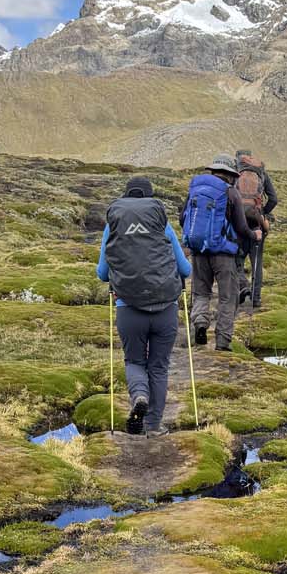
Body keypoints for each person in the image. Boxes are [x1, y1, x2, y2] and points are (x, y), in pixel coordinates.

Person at [97, 176, 191, 437]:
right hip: (165, 310)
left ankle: (139, 395)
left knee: (135, 361)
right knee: (159, 366)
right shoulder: (163, 226)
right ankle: (153, 426)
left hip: (128, 308)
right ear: (151, 200)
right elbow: (185, 268)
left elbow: (103, 273)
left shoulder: (113, 226)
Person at [181, 154, 261, 351]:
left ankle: (200, 323)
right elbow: (241, 227)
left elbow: (183, 218)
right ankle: (223, 342)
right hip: (224, 254)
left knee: (201, 292)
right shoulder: (230, 192)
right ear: (230, 174)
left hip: (199, 251)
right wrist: (254, 235)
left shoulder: (195, 189)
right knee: (228, 296)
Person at [234, 149, 278, 311]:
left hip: (238, 223)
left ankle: (242, 286)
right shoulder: (261, 174)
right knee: (256, 262)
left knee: (236, 258)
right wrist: (263, 213)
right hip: (257, 222)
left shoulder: (236, 172)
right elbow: (273, 199)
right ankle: (256, 299)